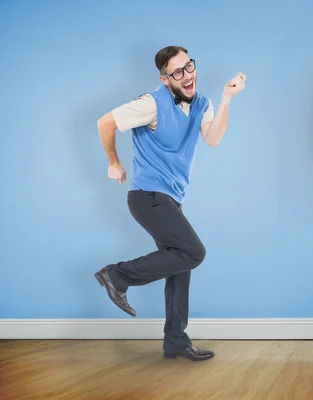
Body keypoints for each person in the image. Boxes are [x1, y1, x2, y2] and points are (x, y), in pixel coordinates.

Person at [93, 45, 246, 361]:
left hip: (171, 200)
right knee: (193, 252)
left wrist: (228, 99)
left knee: (181, 264)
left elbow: (213, 138)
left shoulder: (202, 102)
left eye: (189, 66)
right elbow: (104, 122)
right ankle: (117, 275)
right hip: (148, 196)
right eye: (178, 72)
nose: (188, 75)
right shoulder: (151, 103)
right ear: (165, 79)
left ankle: (175, 340)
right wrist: (113, 162)